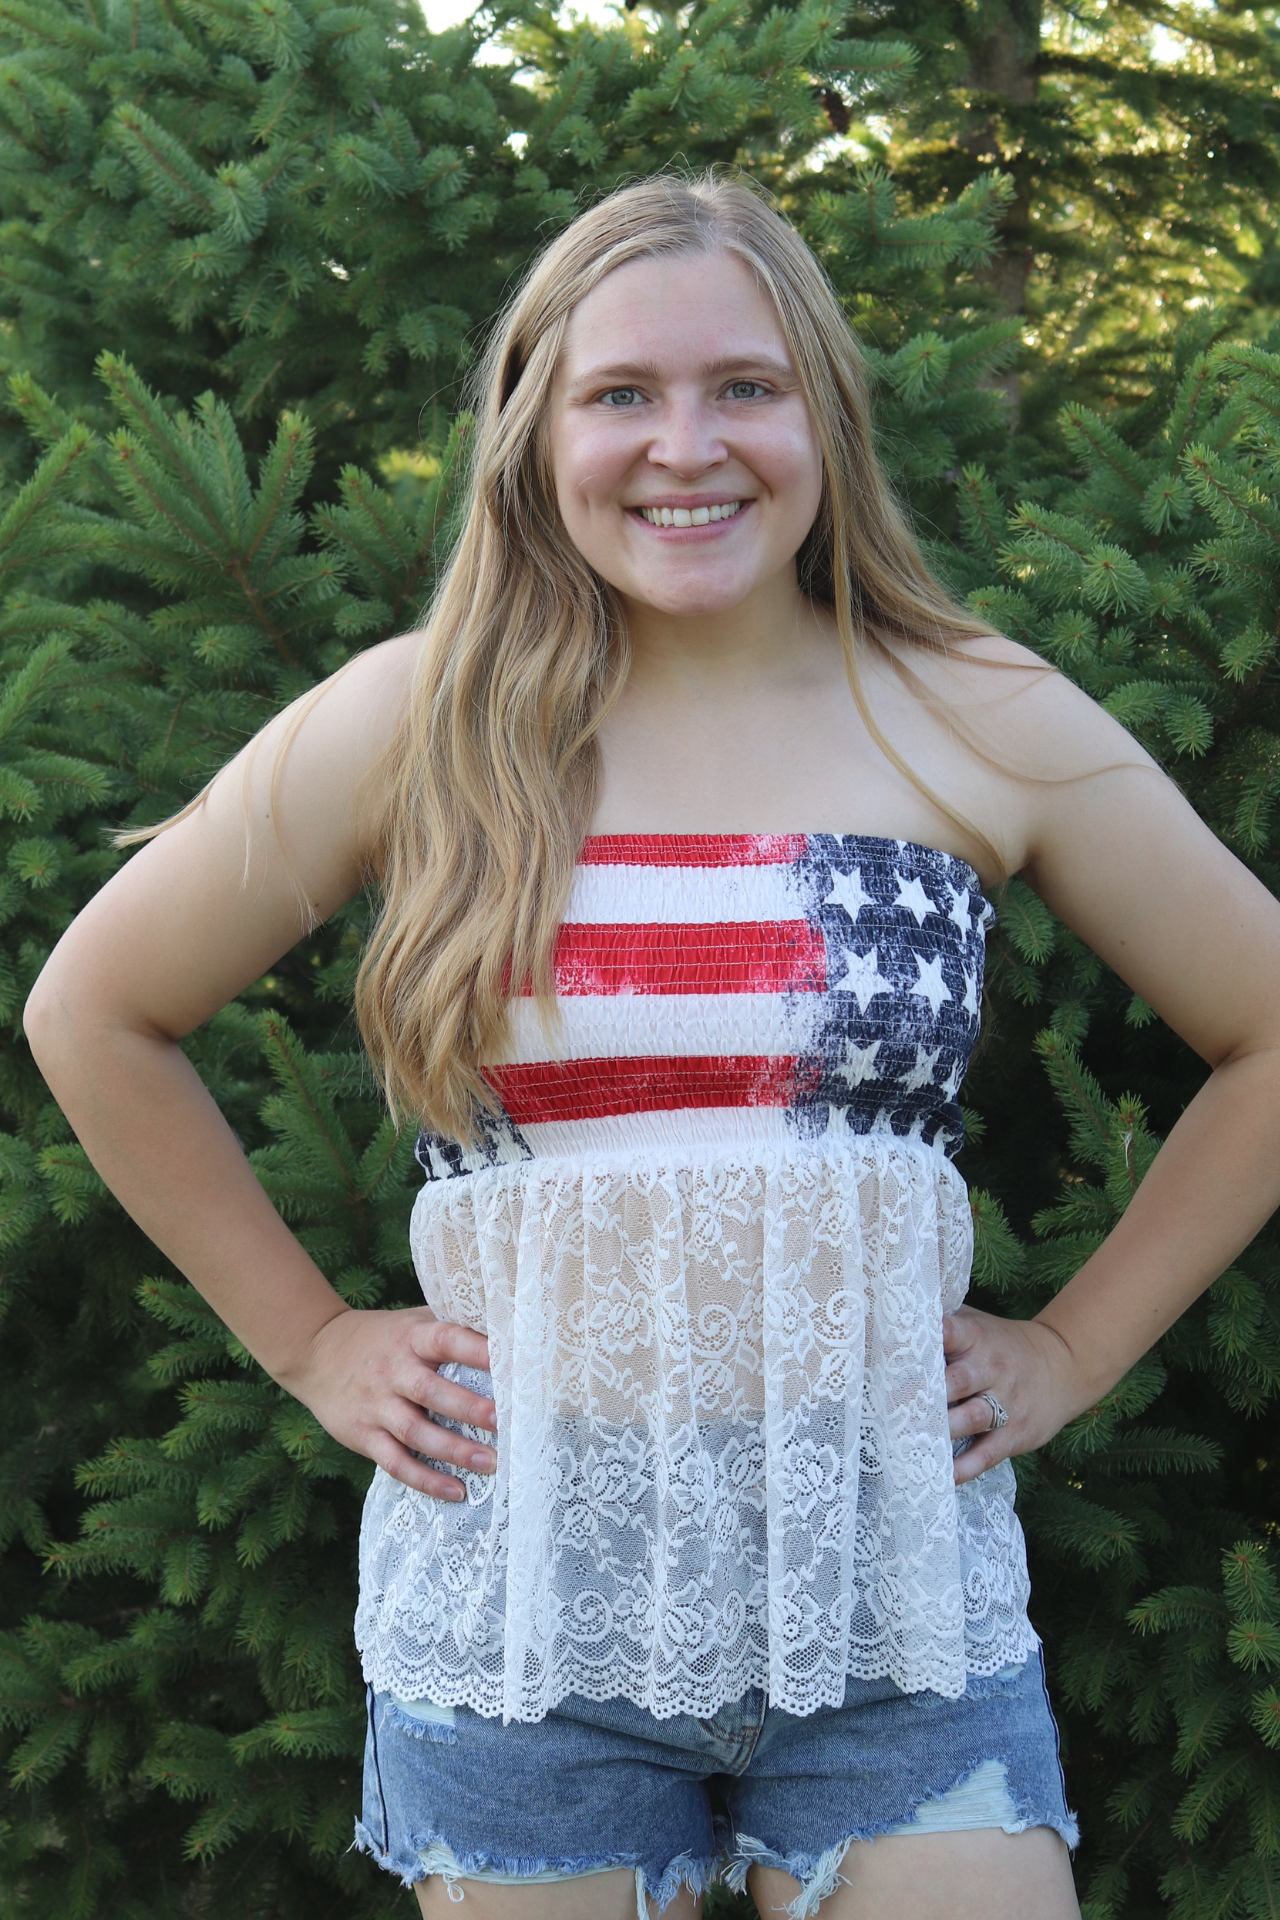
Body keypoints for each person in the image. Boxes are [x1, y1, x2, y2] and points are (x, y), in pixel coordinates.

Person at [23, 171, 1280, 1920]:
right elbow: (93, 1011)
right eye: (621, 394)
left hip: (890, 1607)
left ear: (823, 416)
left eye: (744, 386)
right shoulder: (421, 721)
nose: (685, 447)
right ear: (538, 434)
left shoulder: (971, 712)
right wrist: (310, 1342)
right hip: (527, 1615)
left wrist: (1072, 1349)